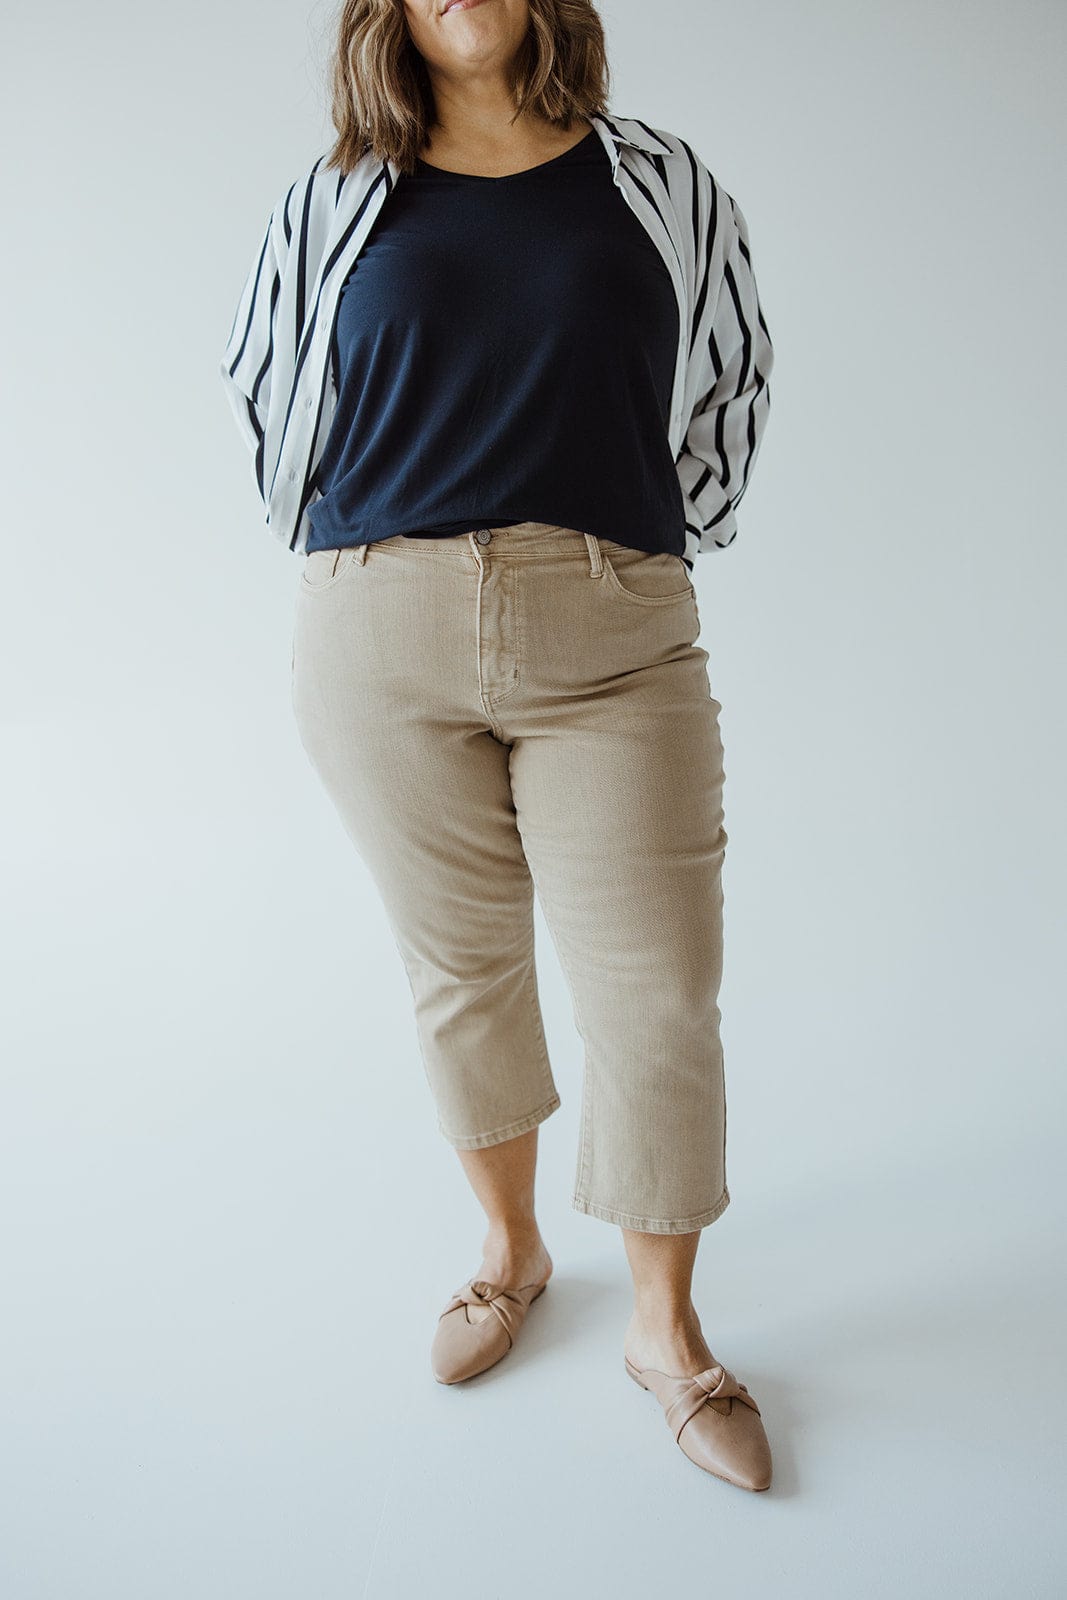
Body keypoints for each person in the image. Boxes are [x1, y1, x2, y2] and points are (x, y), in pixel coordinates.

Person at [219, 0, 775, 1493]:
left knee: (656, 994)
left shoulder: (656, 181)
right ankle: (511, 1250)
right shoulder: (333, 196)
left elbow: (732, 375)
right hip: (376, 630)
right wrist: (355, 548)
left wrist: (664, 540)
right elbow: (266, 389)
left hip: (615, 633)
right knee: (460, 970)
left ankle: (664, 1329)